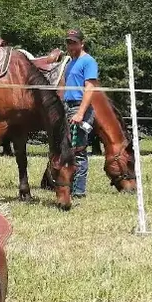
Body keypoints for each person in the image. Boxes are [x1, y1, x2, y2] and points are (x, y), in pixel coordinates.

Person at [62, 28, 98, 198]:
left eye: (74, 42)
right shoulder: (69, 63)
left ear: (82, 43)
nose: (71, 45)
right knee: (68, 149)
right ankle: (68, 184)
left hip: (79, 107)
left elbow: (90, 89)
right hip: (67, 106)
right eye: (68, 42)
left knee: (79, 150)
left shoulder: (88, 62)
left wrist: (80, 113)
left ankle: (79, 191)